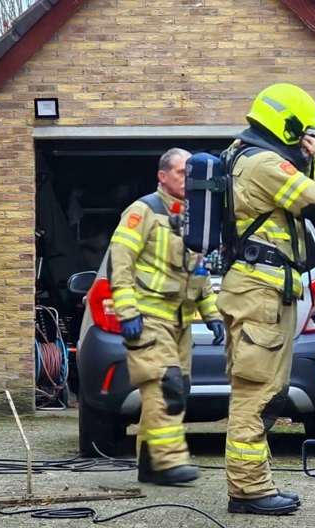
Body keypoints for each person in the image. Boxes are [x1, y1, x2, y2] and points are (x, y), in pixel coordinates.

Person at [216, 84, 315, 515]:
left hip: (256, 291)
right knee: (258, 392)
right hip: (260, 296)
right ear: (286, 126)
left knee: (258, 389)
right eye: (300, 131)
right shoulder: (264, 164)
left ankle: (254, 484)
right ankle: (249, 491)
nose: (302, 138)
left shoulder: (238, 154)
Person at [107, 148, 225, 486]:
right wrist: (127, 311)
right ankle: (170, 462)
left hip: (181, 322)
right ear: (162, 176)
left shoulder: (194, 218)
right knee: (166, 385)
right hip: (147, 317)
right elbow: (121, 261)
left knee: (175, 389)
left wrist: (211, 314)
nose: (189, 180)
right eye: (181, 173)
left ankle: (149, 464)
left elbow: (197, 274)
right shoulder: (143, 211)